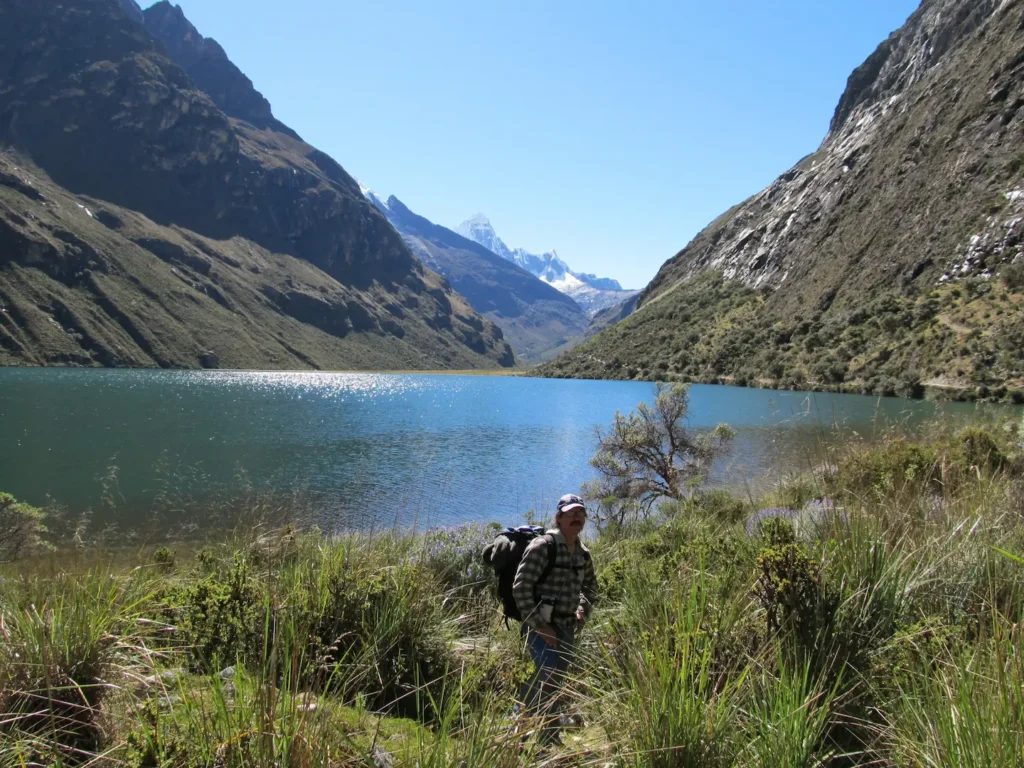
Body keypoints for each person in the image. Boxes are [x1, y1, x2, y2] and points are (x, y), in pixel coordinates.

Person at [512, 493, 598, 746]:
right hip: (540, 626)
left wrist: (583, 610)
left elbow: (591, 588)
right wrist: (540, 626)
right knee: (548, 677)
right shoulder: (543, 546)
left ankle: (520, 724)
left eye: (580, 514)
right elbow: (521, 587)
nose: (577, 518)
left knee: (555, 679)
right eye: (571, 513)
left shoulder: (583, 553)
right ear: (559, 518)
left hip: (568, 626)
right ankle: (547, 738)